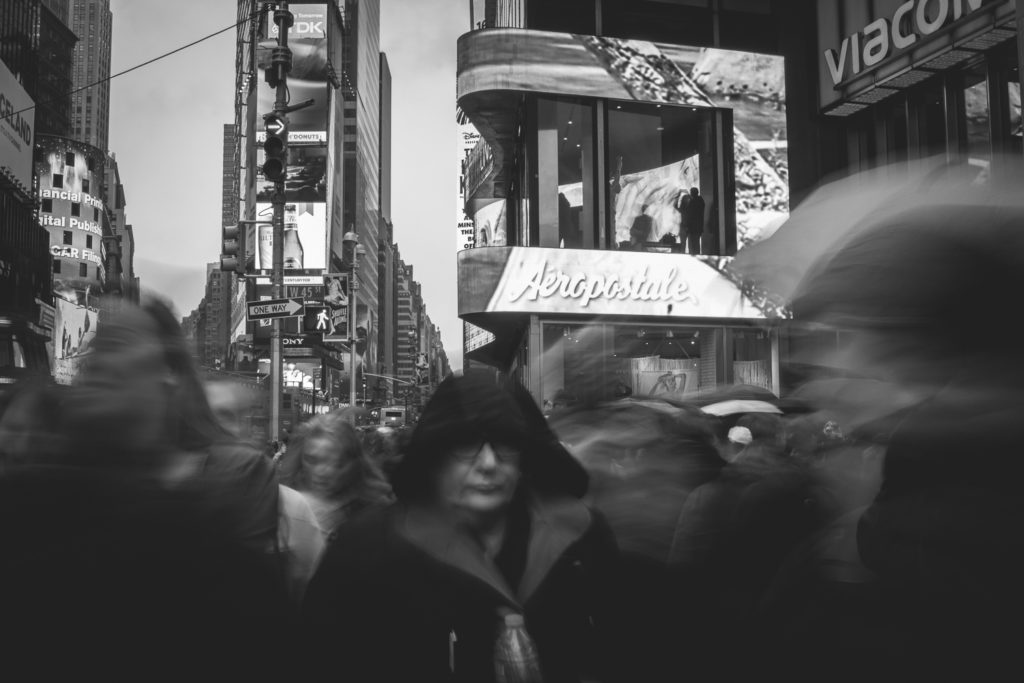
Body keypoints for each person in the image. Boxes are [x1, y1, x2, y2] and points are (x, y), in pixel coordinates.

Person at [0, 299, 287, 680]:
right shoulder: (28, 500)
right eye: (98, 346)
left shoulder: (231, 491)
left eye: (119, 344)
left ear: (167, 372)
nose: (96, 359)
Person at [301, 373, 622, 682]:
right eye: (467, 442)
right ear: (435, 453)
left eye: (505, 442)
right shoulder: (365, 548)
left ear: (525, 455)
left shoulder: (582, 535)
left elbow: (617, 650)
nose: (488, 463)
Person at [278, 411, 394, 542]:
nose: (321, 471)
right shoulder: (283, 504)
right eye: (311, 460)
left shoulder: (376, 510)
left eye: (334, 462)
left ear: (352, 462)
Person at [680, 187, 705, 255]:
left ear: (693, 193)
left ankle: (694, 257)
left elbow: (690, 214)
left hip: (693, 227)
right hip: (697, 227)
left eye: (691, 192)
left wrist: (688, 225)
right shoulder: (700, 201)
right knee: (695, 245)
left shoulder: (694, 202)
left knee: (693, 245)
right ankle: (696, 257)